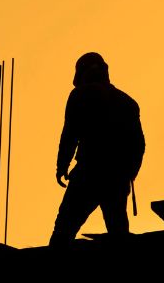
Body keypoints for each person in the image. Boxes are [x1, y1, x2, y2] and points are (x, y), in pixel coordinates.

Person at [50, 53, 146, 245]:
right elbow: (139, 144)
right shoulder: (128, 102)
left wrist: (62, 166)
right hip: (116, 177)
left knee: (64, 231)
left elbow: (70, 134)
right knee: (119, 232)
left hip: (89, 174)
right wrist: (128, 173)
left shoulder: (80, 95)